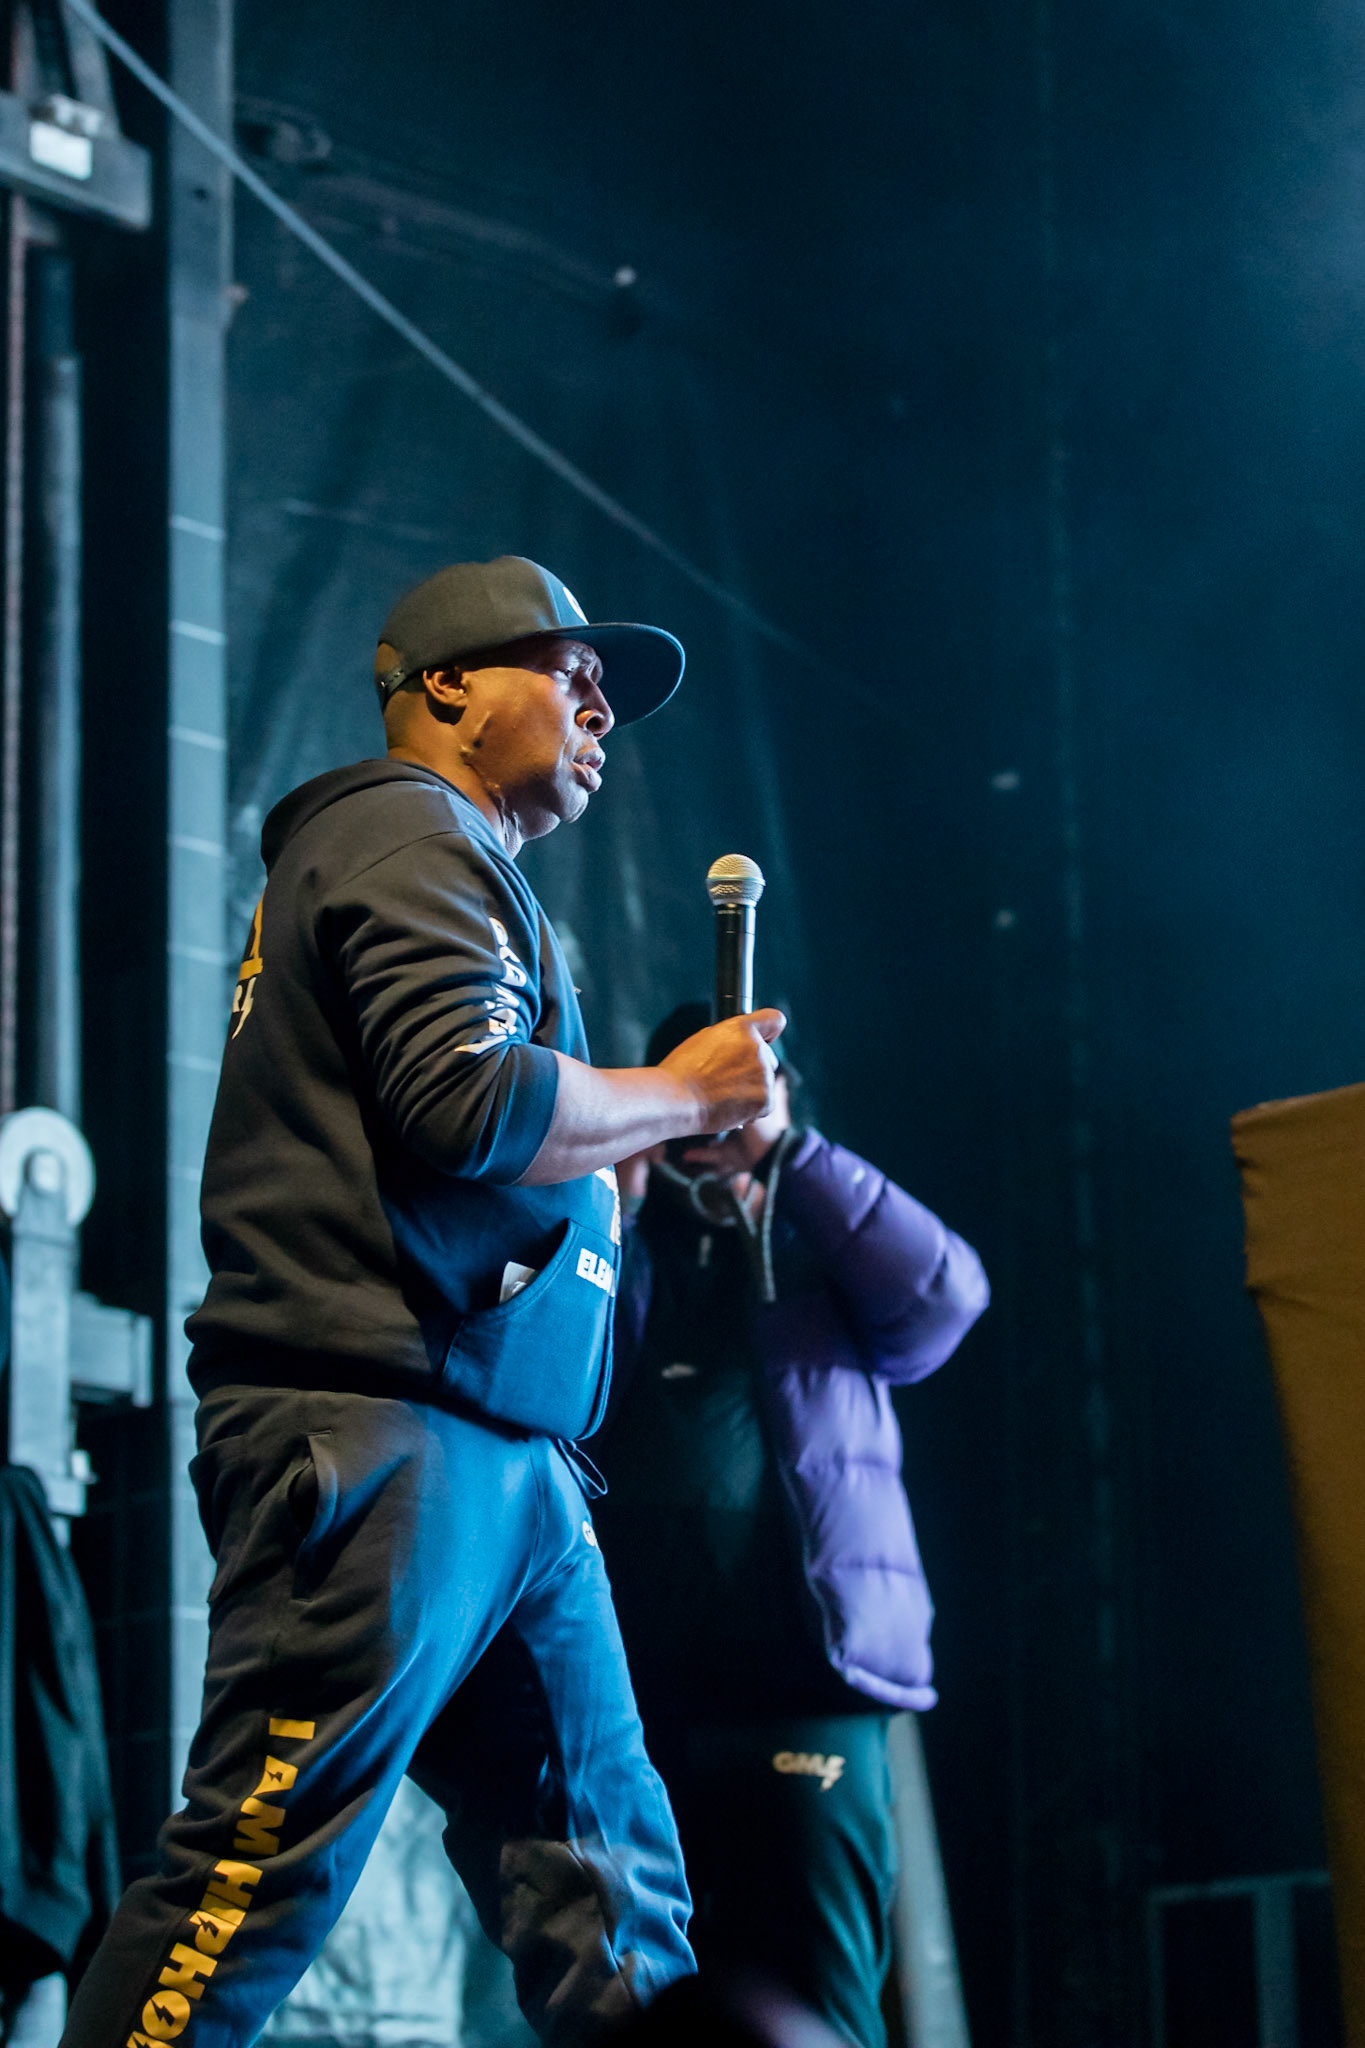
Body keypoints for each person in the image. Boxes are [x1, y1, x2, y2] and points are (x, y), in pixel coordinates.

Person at [60, 558, 788, 2048]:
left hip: (503, 1460)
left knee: (616, 1904)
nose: (601, 707)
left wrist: (642, 1145)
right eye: (570, 670)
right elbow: (459, 1097)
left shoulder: (461, 863)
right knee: (245, 1889)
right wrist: (673, 1087)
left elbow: (466, 1141)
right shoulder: (405, 829)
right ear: (445, 684)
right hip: (382, 1433)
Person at [593, 1003, 989, 2048]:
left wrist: (785, 1151)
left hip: (802, 1700)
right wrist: (614, 1187)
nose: (714, 1134)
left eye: (742, 1101)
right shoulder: (632, 1247)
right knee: (646, 2016)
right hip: (642, 1712)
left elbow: (946, 1295)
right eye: (698, 1102)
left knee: (816, 2014)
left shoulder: (824, 1261)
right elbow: (556, 1381)